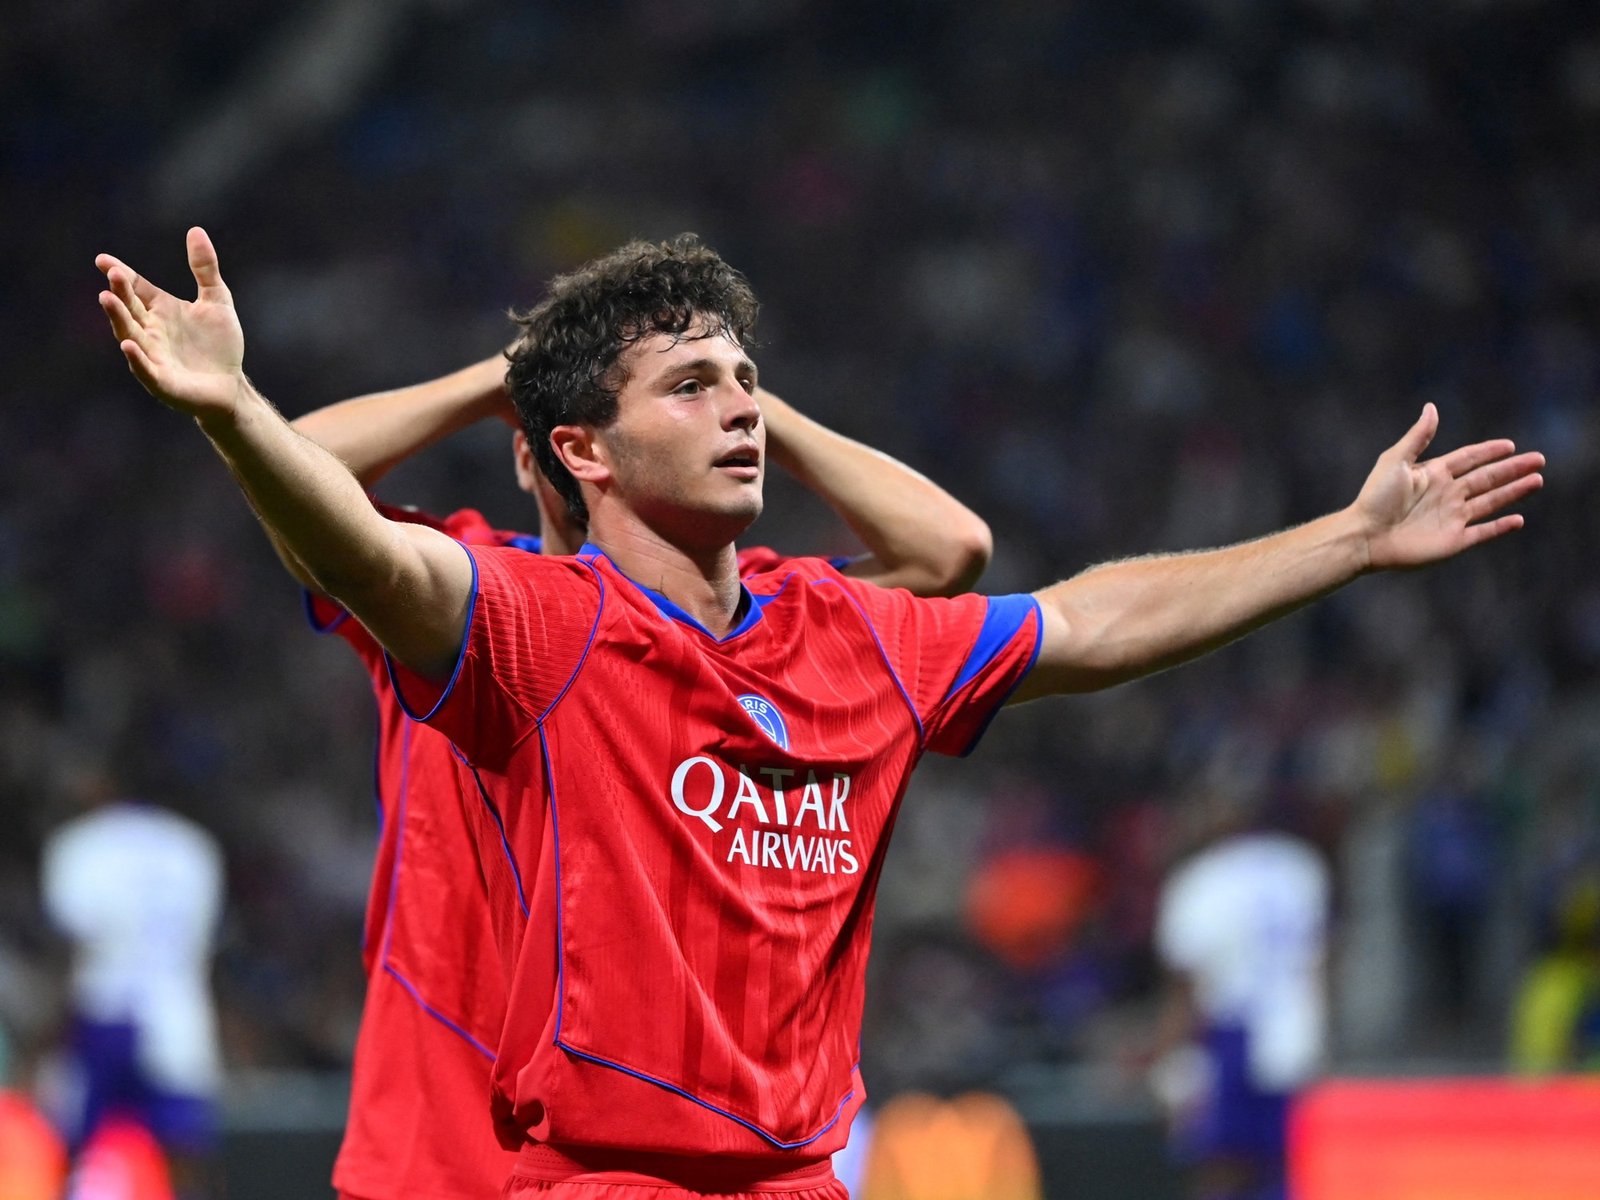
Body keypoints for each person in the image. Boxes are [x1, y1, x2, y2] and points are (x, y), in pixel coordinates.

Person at [96, 227, 1542, 1199]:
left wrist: (1343, 541)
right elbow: (339, 526)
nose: (742, 409)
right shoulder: (524, 623)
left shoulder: (838, 629)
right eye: (698, 386)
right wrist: (252, 409)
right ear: (577, 450)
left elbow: (1071, 607)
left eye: (752, 383)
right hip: (514, 1168)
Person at [285, 354, 994, 1200]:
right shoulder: (445, 589)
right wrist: (502, 379)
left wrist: (746, 408)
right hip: (433, 1136)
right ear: (545, 451)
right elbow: (289, 466)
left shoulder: (740, 617)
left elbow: (949, 551)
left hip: (622, 1151)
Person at [40, 769, 224, 1200]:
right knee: (186, 1159)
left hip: (104, 1013)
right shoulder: (194, 847)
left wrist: (51, 1034)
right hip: (180, 1018)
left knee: (72, 1150)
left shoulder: (83, 842)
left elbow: (70, 944)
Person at [1149, 796, 1331, 1200]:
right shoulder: (1298, 864)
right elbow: (1320, 959)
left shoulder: (1203, 879)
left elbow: (1187, 988)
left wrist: (1163, 1056)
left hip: (1234, 1032)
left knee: (1222, 1162)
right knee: (1285, 1161)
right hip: (1295, 1030)